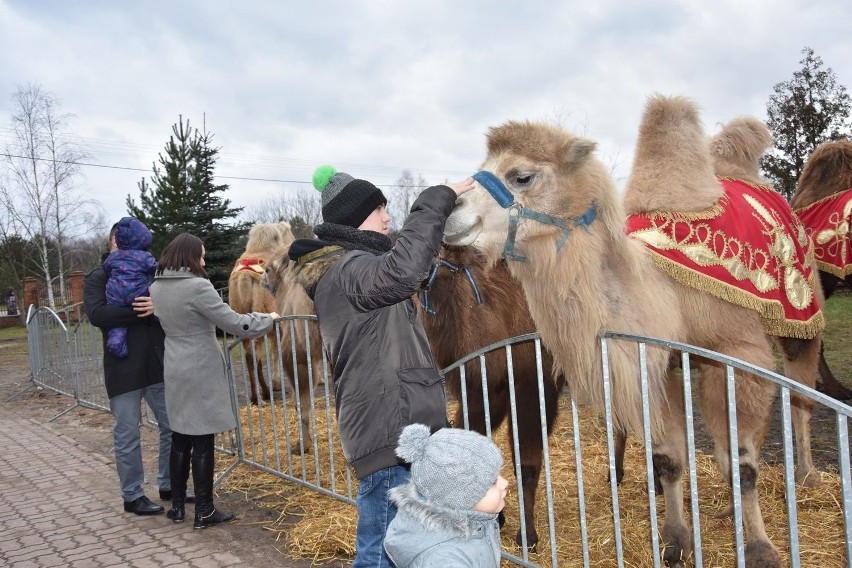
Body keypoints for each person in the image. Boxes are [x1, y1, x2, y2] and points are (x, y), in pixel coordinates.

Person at [287, 165, 475, 567]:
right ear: (356, 220)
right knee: (380, 551)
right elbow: (404, 270)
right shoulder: (348, 271)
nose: (388, 218)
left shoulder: (356, 268)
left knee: (403, 545)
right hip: (389, 432)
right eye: (380, 209)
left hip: (399, 427)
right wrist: (434, 199)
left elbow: (413, 268)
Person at [149, 233, 279, 529]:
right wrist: (268, 318)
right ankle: (205, 509)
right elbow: (233, 322)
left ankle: (179, 507)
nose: (204, 261)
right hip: (200, 367)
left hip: (175, 364)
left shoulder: (156, 286)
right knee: (203, 440)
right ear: (191, 257)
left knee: (180, 437)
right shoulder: (197, 287)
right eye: (201, 256)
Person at [83, 221, 178, 516]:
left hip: (156, 364)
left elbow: (169, 305)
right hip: (123, 368)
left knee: (172, 428)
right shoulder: (99, 276)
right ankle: (132, 495)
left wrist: (158, 306)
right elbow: (98, 314)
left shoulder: (151, 272)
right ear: (115, 240)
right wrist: (141, 311)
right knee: (127, 433)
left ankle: (169, 484)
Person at [383, 424, 508, 567]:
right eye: (493, 482)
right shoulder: (445, 560)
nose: (505, 482)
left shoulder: (477, 519)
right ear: (460, 498)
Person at [103, 217, 158, 358]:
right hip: (137, 295)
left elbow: (107, 269)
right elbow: (157, 271)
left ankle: (116, 340)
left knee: (117, 328)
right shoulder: (144, 257)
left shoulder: (113, 258)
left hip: (114, 296)